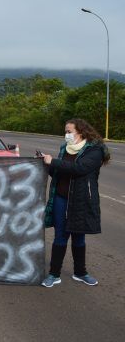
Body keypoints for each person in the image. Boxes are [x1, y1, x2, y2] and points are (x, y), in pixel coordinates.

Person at [40, 118, 110, 287]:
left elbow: (79, 169)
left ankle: (81, 272)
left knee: (79, 237)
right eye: (65, 131)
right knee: (60, 237)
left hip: (81, 200)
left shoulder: (95, 150)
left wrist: (54, 162)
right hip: (60, 199)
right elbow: (60, 172)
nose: (66, 135)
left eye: (69, 131)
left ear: (81, 132)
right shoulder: (65, 148)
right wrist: (46, 164)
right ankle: (54, 274)